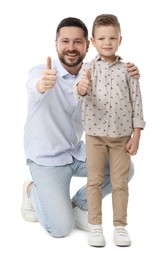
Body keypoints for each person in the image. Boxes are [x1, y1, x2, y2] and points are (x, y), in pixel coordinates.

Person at [21, 17, 140, 239]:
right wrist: (41, 84)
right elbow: (34, 86)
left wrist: (129, 69)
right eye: (65, 41)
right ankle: (32, 190)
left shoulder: (94, 72)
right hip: (47, 160)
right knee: (60, 229)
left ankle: (79, 204)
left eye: (78, 42)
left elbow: (114, 71)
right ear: (56, 43)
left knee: (125, 169)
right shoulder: (41, 72)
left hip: (75, 152)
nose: (71, 47)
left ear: (88, 45)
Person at [75, 14, 145, 247]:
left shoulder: (128, 70)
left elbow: (137, 103)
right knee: (94, 180)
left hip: (122, 137)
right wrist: (82, 88)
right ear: (93, 42)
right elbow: (79, 92)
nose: (107, 42)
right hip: (94, 135)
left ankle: (120, 226)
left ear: (120, 40)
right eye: (102, 38)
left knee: (120, 183)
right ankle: (95, 226)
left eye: (112, 38)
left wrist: (137, 135)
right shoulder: (87, 68)